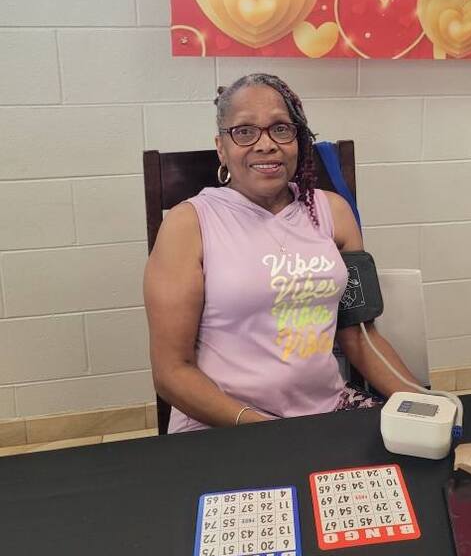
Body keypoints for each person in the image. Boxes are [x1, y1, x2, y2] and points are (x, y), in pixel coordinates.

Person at [144, 73, 421, 432]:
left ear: (298, 140)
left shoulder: (333, 213)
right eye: (244, 131)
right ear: (221, 147)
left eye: (280, 129)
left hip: (329, 407)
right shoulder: (188, 225)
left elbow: (359, 336)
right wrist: (264, 429)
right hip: (225, 423)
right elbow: (171, 372)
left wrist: (420, 403)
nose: (265, 145)